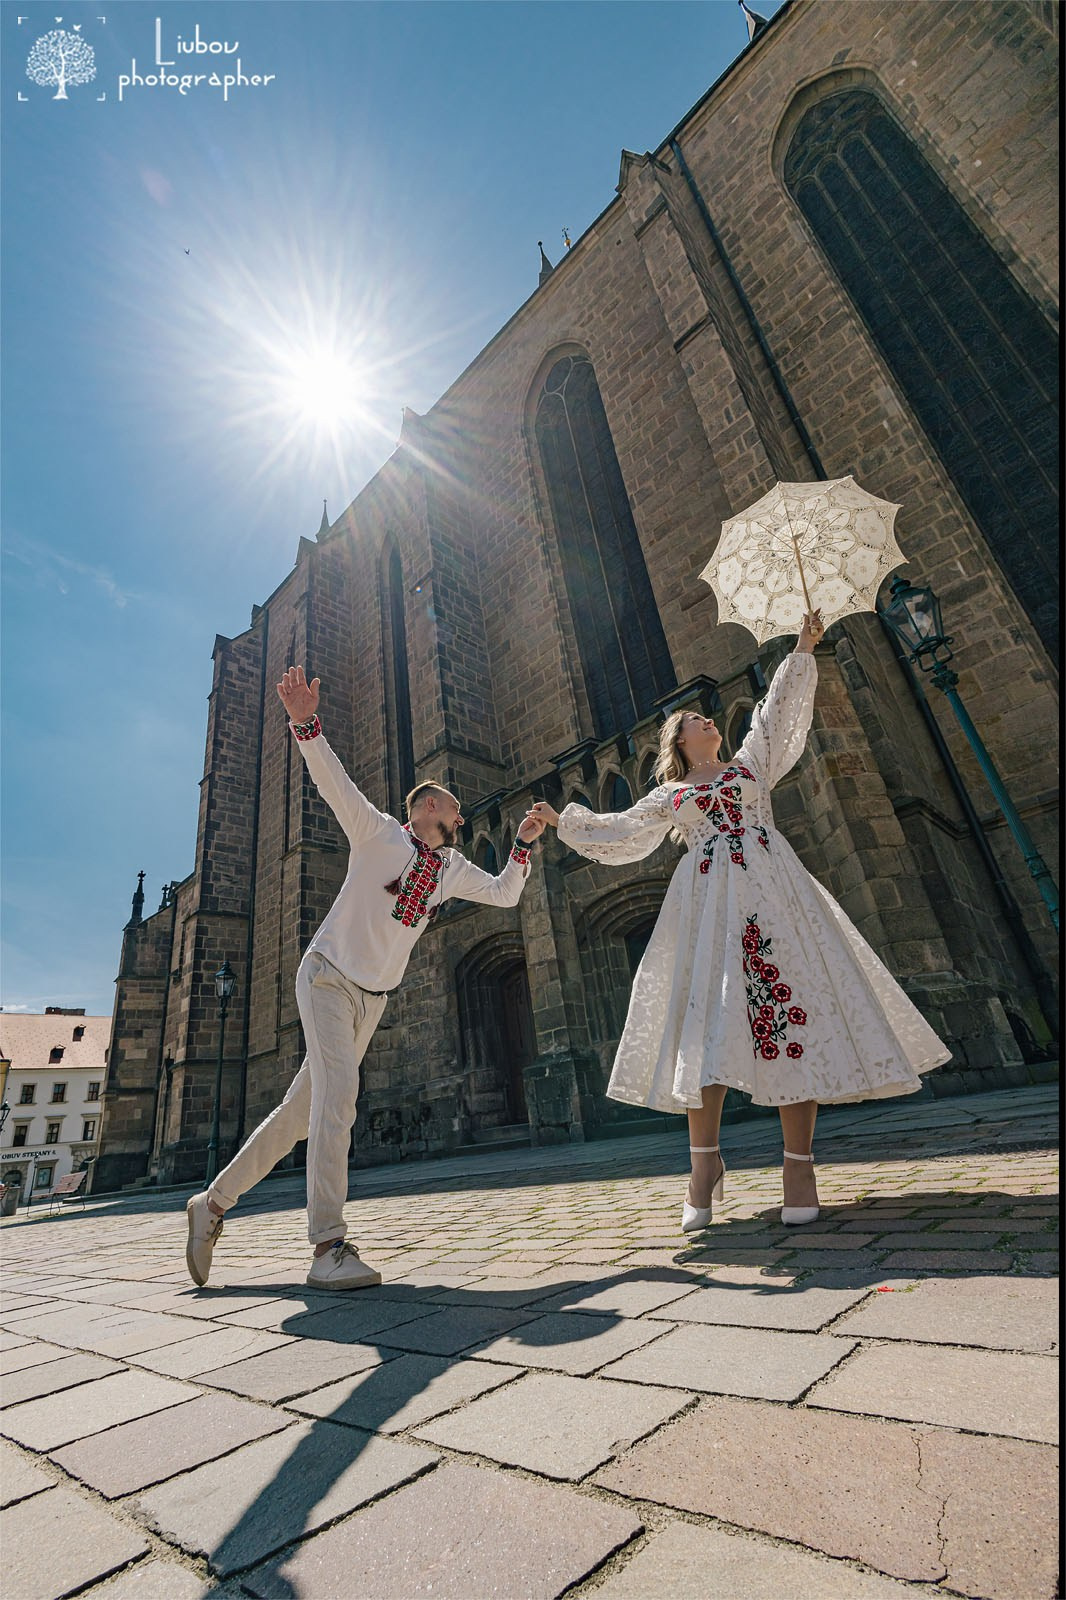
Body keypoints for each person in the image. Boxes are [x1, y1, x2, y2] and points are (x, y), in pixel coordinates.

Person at [530, 611, 950, 1231]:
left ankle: (797, 1166)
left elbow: (776, 714)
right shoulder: (673, 797)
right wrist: (563, 821)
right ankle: (704, 1166)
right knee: (707, 1029)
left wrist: (803, 649)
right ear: (678, 741)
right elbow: (622, 829)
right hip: (706, 906)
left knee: (791, 1015)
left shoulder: (752, 766)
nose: (708, 719)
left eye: (708, 717)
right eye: (697, 719)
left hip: (775, 894)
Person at [186, 664, 547, 1290]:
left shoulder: (453, 868)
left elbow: (507, 894)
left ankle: (210, 1205)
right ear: (429, 806)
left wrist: (522, 843)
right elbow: (336, 783)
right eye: (455, 812)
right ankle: (328, 1245)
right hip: (326, 977)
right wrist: (305, 724)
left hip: (370, 1002)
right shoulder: (378, 832)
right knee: (339, 1101)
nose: (461, 822)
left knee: (299, 1115)